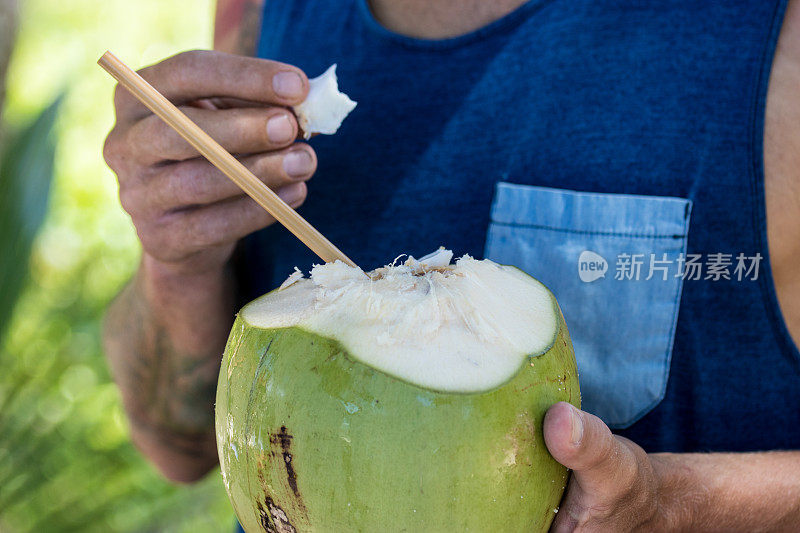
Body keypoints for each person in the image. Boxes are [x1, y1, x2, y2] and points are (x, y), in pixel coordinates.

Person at [102, 0, 800, 530]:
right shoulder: (266, 23)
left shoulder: (772, 45)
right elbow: (180, 444)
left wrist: (677, 503)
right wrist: (178, 261)